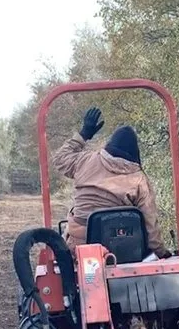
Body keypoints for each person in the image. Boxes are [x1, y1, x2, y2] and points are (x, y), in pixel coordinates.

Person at [53, 107, 169, 257]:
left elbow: (60, 159)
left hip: (79, 248)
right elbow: (150, 224)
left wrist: (84, 135)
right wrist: (160, 252)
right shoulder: (138, 179)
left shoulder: (86, 160)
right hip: (121, 250)